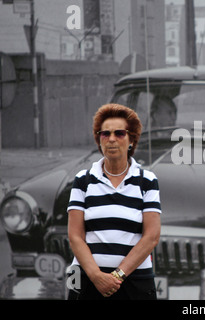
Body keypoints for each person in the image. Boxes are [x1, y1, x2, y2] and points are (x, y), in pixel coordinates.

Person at [67, 103, 162, 300]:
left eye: (119, 133)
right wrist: (96, 276)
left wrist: (117, 275)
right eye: (105, 134)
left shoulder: (147, 180)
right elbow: (75, 236)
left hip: (135, 281)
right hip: (84, 279)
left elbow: (151, 236)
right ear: (98, 139)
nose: (111, 139)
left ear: (131, 140)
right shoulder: (82, 180)